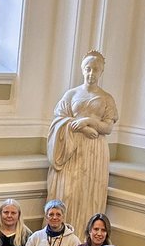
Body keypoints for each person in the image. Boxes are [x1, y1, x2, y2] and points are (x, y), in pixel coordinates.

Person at [46, 50, 119, 224]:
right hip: (71, 148)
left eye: (95, 69)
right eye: (88, 69)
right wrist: (83, 129)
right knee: (67, 191)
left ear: (101, 72)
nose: (91, 73)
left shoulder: (106, 98)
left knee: (90, 193)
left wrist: (88, 121)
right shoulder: (71, 95)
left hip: (95, 150)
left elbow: (107, 127)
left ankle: (85, 240)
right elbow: (59, 120)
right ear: (82, 69)